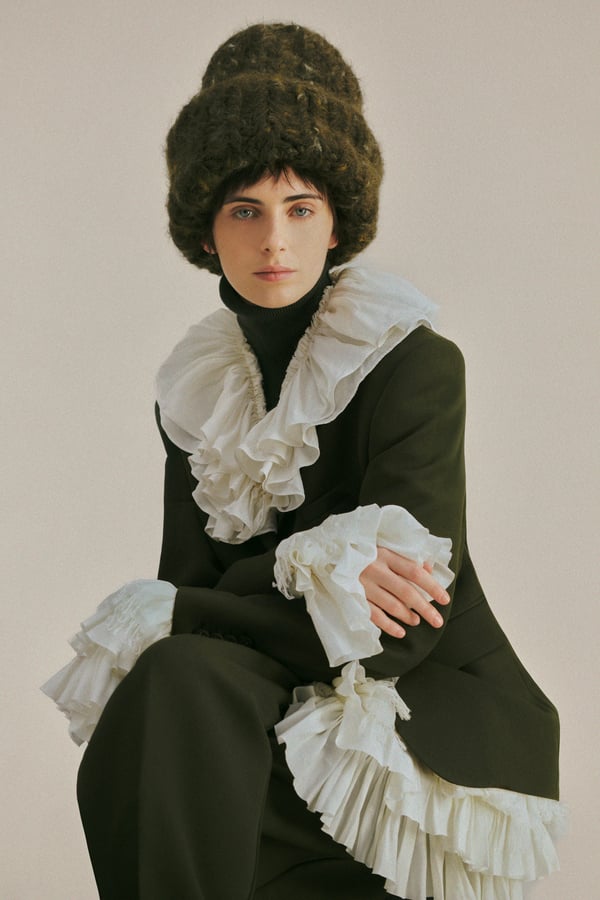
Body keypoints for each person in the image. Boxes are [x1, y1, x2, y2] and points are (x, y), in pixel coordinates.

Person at [42, 22, 566, 900]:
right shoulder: (196, 391)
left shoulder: (414, 363)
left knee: (179, 683)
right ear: (206, 232)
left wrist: (225, 598)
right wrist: (297, 586)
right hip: (267, 689)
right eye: (245, 211)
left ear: (338, 223)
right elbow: (190, 597)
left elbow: (399, 630)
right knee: (156, 701)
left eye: (301, 208)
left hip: (423, 711)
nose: (274, 243)